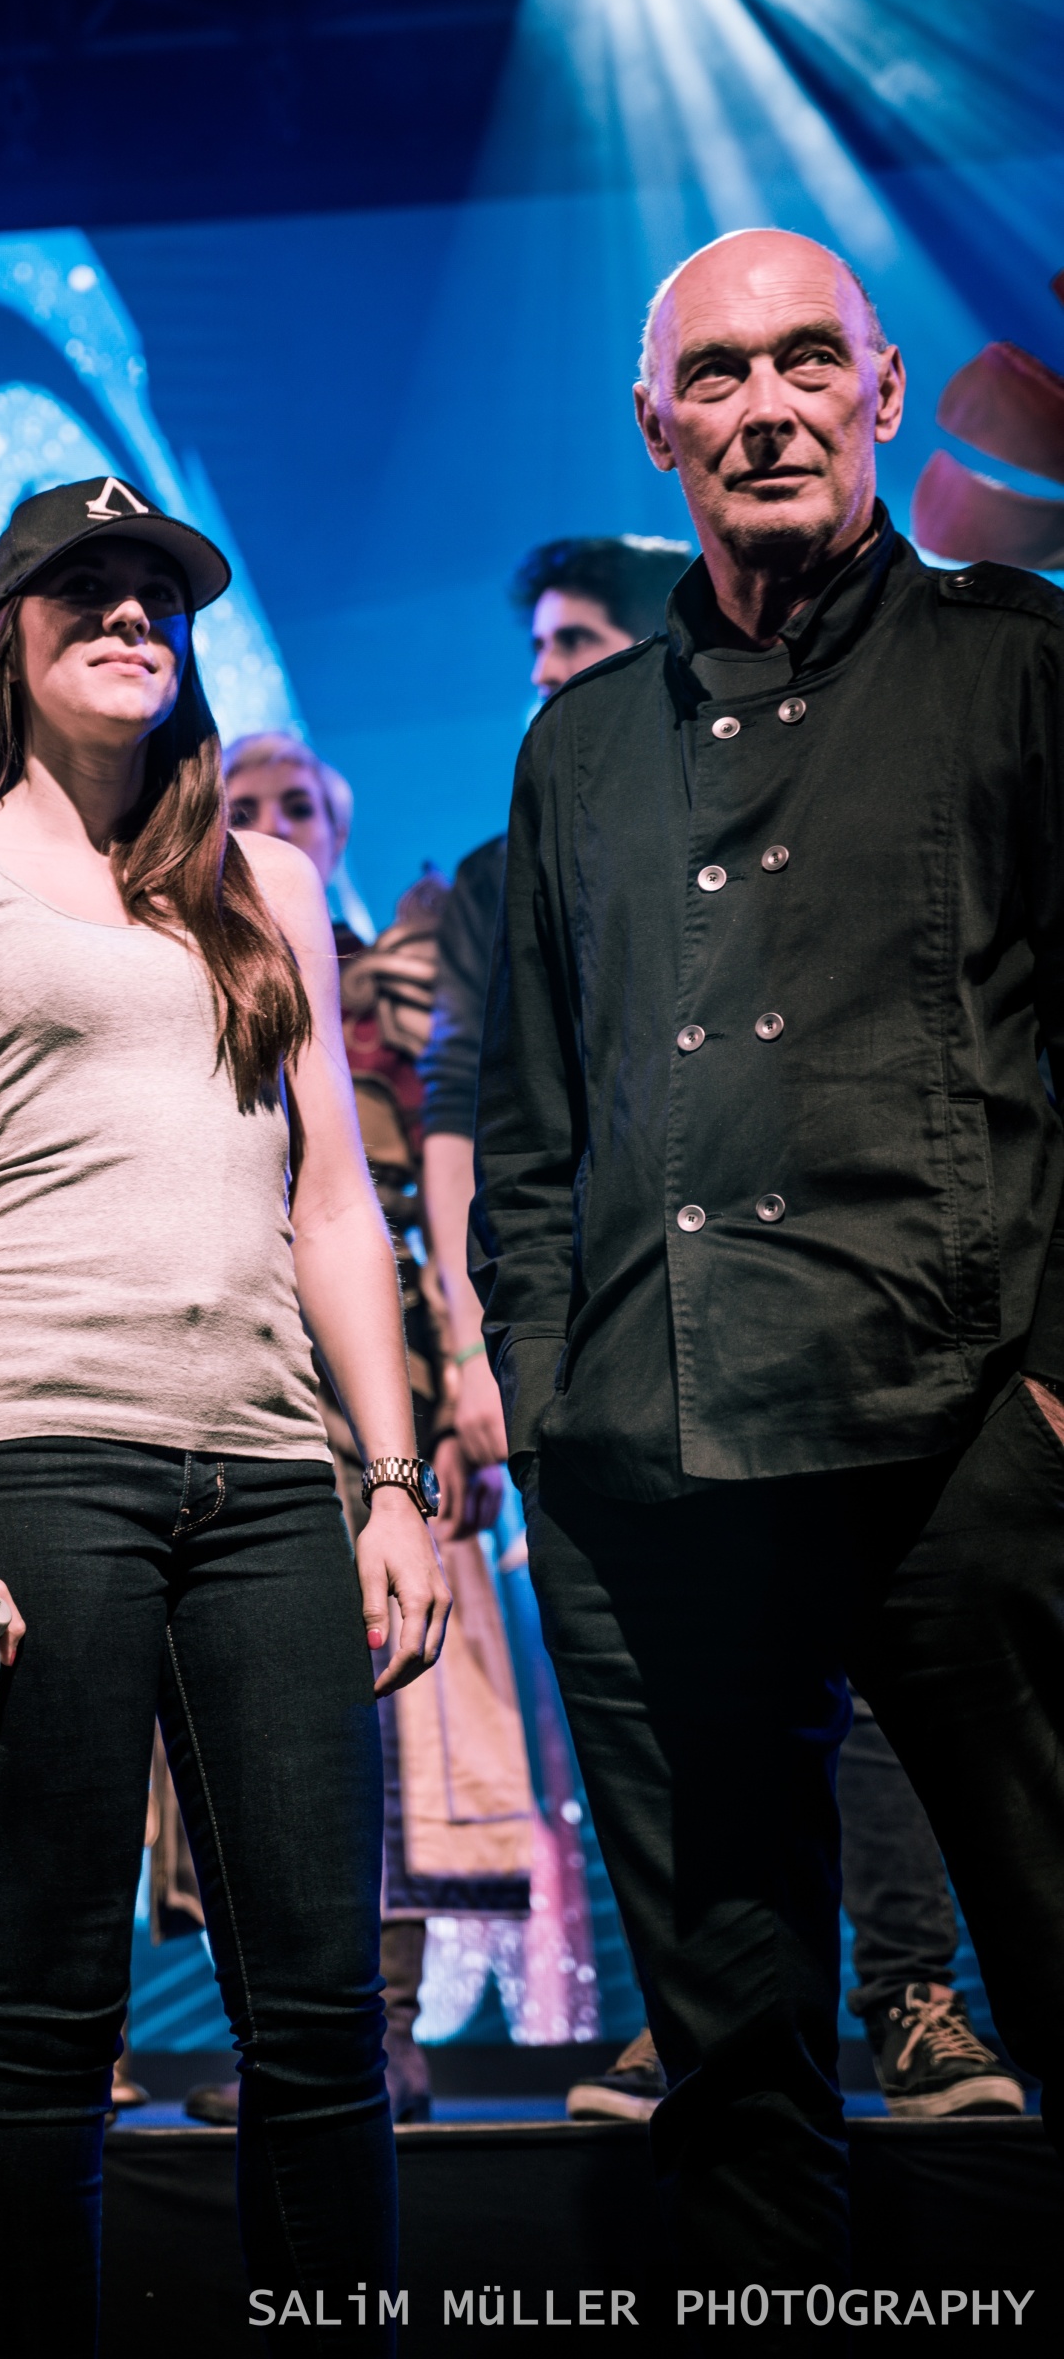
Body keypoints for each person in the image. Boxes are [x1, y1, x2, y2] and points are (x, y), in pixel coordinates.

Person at [474, 226, 1064, 2315]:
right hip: (654, 1469)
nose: (764, 408)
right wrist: (545, 1397)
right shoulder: (576, 749)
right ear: (655, 428)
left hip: (961, 1443)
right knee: (730, 2068)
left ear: (881, 392)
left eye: (806, 361)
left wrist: (1049, 1389)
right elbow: (528, 1123)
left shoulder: (1015, 666)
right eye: (714, 376)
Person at [0, 477, 451, 2356]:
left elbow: (332, 1205)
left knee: (320, 2013)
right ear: (8, 636)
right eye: (86, 589)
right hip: (39, 1468)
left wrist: (390, 1484)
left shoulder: (265, 888)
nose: (129, 618)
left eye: (157, 598)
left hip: (268, 1480)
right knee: (46, 2012)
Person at [207, 733, 534, 2127]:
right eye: (244, 804)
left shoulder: (405, 984)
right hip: (237, 1375)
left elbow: (443, 1197)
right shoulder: (196, 968)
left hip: (387, 1390)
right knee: (244, 1717)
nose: (273, 820)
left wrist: (453, 1404)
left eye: (296, 802)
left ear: (336, 825)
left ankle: (381, 2031)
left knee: (402, 1714)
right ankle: (276, 2032)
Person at [420, 536, 691, 2121]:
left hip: (780, 1333)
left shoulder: (747, 829)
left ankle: (917, 2002)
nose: (542, 672)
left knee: (846, 1698)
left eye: (574, 641)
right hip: (588, 1357)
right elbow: (467, 1113)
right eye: (534, 646)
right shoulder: (496, 872)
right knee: (638, 1703)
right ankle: (686, 2019)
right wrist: (479, 1352)